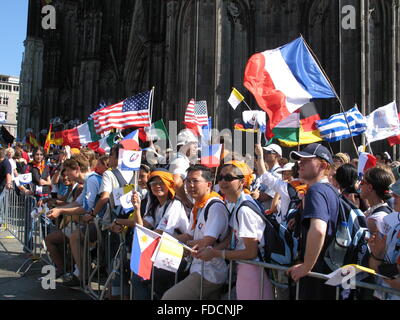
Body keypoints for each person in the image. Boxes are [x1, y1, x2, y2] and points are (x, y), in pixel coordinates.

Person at [196, 161, 274, 300]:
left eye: (229, 178)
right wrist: (209, 252)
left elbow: (251, 252)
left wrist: (216, 253)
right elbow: (232, 236)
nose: (223, 181)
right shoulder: (239, 203)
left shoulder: (244, 210)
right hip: (246, 269)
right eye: (220, 177)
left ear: (242, 182)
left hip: (252, 270)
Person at [162, 164, 230, 300]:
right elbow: (189, 235)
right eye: (188, 181)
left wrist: (179, 245)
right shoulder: (198, 206)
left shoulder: (215, 206)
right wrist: (164, 239)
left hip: (210, 273)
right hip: (198, 268)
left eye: (195, 181)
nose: (190, 185)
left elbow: (207, 241)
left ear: (208, 184)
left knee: (169, 298)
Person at [124, 168, 190, 299]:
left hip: (180, 256)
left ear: (168, 184)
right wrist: (137, 209)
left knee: (141, 278)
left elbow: (160, 233)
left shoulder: (175, 204)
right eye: (153, 183)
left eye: (161, 182)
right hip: (163, 252)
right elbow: (142, 227)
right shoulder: (154, 204)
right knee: (129, 267)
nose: (157, 186)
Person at [286, 143, 339, 300]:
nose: (300, 163)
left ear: (323, 165)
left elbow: (318, 229)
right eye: (300, 160)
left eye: (306, 160)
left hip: (318, 274)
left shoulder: (316, 191)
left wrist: (306, 267)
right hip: (328, 272)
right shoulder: (330, 190)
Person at [368, 176, 400, 299]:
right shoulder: (393, 225)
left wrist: (388, 275)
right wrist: (377, 254)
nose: (394, 196)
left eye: (398, 194)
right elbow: (375, 267)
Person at [359, 166, 395, 235]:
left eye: (362, 182)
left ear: (370, 187)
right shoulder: (378, 211)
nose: (359, 186)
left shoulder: (375, 220)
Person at [168, 129, 198, 209]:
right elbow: (177, 181)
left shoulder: (181, 159)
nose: (196, 147)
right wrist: (185, 200)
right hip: (182, 207)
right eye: (193, 144)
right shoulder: (180, 161)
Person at [257, 143, 282, 211]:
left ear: (277, 155)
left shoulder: (279, 173)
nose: (265, 154)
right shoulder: (269, 172)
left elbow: (265, 197)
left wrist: (254, 194)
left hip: (270, 215)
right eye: (265, 152)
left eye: (268, 152)